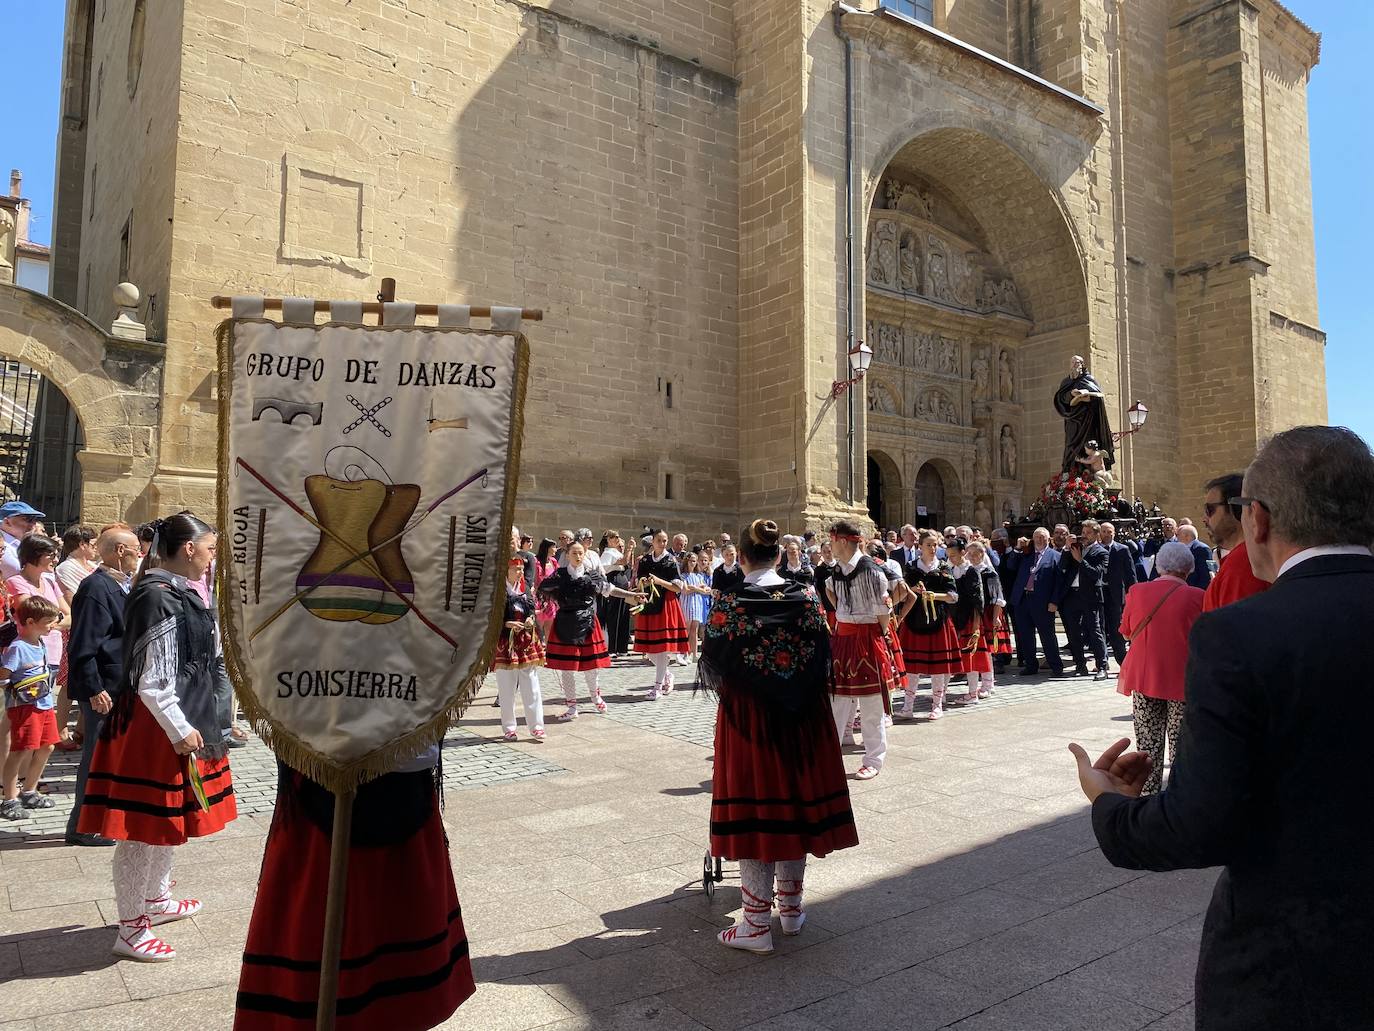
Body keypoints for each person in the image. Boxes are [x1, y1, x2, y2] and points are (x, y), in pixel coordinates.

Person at [1069, 425, 1374, 1031]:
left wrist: (1110, 807)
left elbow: (1198, 825)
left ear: (1257, 519)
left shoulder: (1239, 634)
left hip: (1296, 967)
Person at [77, 514, 236, 962]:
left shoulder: (177, 590)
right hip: (155, 728)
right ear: (189, 548)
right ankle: (131, 928)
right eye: (209, 548)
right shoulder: (157, 595)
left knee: (167, 824)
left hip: (177, 718)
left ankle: (156, 899)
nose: (212, 557)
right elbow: (153, 680)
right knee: (140, 831)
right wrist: (180, 728)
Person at [700, 518, 859, 954]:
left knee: (757, 809)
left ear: (742, 558)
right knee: (794, 806)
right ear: (777, 555)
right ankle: (790, 909)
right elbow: (823, 654)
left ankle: (755, 923)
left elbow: (711, 661)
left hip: (751, 719)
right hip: (804, 718)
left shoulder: (730, 602)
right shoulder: (806, 597)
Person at [235, 745, 476, 1028]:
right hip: (321, 806)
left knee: (395, 961)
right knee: (319, 944)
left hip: (394, 803)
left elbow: (422, 750)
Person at [64, 523, 141, 846]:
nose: (139, 555)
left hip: (117, 685)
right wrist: (94, 688)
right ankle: (81, 826)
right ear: (120, 551)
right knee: (95, 758)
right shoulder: (96, 587)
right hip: (103, 689)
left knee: (108, 757)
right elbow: (83, 645)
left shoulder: (118, 584)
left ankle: (101, 819)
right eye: (136, 550)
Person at [1113, 541, 1203, 795]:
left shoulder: (1137, 591)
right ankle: (1179, 795)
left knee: (1147, 743)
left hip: (1145, 676)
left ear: (1159, 566)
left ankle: (1147, 795)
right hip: (1183, 679)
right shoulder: (1198, 596)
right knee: (1181, 744)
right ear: (1188, 569)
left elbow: (1126, 631)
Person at [824, 520, 897, 778]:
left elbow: (884, 611)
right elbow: (830, 592)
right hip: (843, 638)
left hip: (866, 638)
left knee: (871, 703)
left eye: (832, 541)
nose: (830, 546)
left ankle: (873, 760)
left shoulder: (872, 570)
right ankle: (828, 758)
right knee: (837, 700)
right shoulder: (836, 570)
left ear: (843, 541)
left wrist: (878, 635)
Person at [539, 541, 642, 718]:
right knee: (567, 669)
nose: (578, 556)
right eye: (574, 553)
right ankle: (572, 707)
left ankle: (596, 698)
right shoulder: (560, 574)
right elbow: (543, 589)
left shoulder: (592, 575)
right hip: (565, 623)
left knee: (591, 667)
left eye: (581, 553)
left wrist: (633, 595)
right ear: (567, 555)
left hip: (587, 622)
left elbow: (611, 590)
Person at [6, 535, 74, 746]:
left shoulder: (50, 582)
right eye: (50, 555)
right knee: (27, 713)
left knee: (42, 709)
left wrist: (49, 623)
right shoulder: (15, 582)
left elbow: (69, 615)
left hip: (51, 654)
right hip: (27, 657)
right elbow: (31, 616)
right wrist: (56, 619)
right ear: (34, 555)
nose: (55, 559)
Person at [1, 595, 63, 820]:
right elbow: (4, 676)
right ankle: (9, 798)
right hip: (26, 707)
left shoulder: (40, 643)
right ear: (30, 622)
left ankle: (29, 790)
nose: (52, 626)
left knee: (47, 746)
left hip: (44, 704)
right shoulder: (18, 648)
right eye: (47, 622)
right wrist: (16, 692)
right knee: (20, 750)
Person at [895, 529, 961, 721]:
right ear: (920, 546)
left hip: (937, 619)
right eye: (929, 545)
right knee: (912, 666)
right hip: (914, 620)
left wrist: (934, 595)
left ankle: (937, 705)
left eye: (935, 545)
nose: (932, 548)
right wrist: (912, 590)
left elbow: (953, 596)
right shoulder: (911, 567)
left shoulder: (943, 567)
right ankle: (908, 707)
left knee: (937, 667)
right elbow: (901, 593)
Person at [493, 554, 545, 742]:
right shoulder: (498, 591)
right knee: (506, 688)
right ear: (506, 571)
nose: (519, 572)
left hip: (526, 642)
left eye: (521, 569)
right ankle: (509, 728)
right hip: (506, 642)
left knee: (531, 685)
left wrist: (531, 618)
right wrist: (506, 624)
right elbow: (490, 616)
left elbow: (531, 610)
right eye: (516, 569)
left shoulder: (525, 588)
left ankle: (537, 727)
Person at [1200, 472, 1268, 611]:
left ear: (1236, 509)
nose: (1204, 519)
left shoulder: (1242, 566)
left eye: (1209, 510)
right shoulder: (1246, 558)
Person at [634, 530, 690, 692]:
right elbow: (638, 580)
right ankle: (667, 675)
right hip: (649, 603)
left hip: (666, 604)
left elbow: (677, 587)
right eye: (659, 540)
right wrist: (643, 582)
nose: (662, 543)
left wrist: (659, 581)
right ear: (652, 541)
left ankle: (657, 688)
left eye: (665, 540)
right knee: (650, 650)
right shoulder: (645, 560)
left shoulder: (670, 560)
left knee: (662, 649)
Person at [1054, 520, 1110, 680]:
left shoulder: (1101, 552)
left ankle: (1102, 666)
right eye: (1083, 532)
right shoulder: (1075, 549)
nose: (1084, 536)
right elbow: (1062, 568)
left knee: (1095, 631)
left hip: (1090, 596)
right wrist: (1067, 549)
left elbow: (1096, 574)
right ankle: (1080, 665)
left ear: (1096, 535)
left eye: (1088, 533)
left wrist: (1080, 560)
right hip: (1072, 595)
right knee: (1073, 632)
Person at [1006, 528, 1065, 676]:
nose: (1039, 540)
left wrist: (1054, 601)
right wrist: (1017, 548)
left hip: (1043, 602)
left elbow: (1059, 582)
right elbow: (1010, 566)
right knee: (1025, 635)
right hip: (1022, 600)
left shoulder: (1056, 556)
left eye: (1042, 537)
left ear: (1048, 539)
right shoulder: (1026, 555)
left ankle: (1056, 666)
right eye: (1036, 537)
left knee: (1047, 635)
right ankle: (1030, 665)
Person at [943, 536, 987, 705]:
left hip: (968, 618)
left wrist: (976, 626)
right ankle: (942, 692)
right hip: (953, 618)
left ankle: (972, 693)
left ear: (963, 553)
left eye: (953, 555)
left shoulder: (971, 571)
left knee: (970, 657)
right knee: (949, 656)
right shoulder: (950, 570)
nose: (951, 558)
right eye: (949, 555)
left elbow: (978, 600)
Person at [1053, 354, 1115, 474]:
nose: (1074, 365)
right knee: (1071, 444)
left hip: (1088, 420)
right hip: (1072, 419)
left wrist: (1087, 397)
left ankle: (1087, 472)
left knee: (1088, 443)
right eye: (1072, 363)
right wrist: (1071, 394)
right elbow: (1060, 399)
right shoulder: (1066, 382)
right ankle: (1070, 472)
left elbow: (1098, 397)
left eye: (1077, 363)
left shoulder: (1089, 379)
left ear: (1082, 365)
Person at [966, 540, 1008, 698]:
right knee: (976, 650)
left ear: (982, 554)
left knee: (986, 651)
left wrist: (996, 617)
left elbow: (998, 598)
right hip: (972, 614)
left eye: (975, 554)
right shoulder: (967, 571)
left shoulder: (989, 573)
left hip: (988, 614)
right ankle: (979, 683)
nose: (971, 557)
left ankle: (988, 684)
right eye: (969, 554)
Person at [1097, 521, 1138, 667]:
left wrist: (1133, 595)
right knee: (1099, 628)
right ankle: (1102, 662)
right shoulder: (1094, 549)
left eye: (1109, 532)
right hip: (1098, 593)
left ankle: (1123, 662)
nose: (1106, 534)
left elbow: (1130, 574)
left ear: (1114, 533)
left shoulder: (1122, 550)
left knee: (1116, 629)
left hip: (1116, 595)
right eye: (1104, 531)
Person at [597, 530, 633, 654]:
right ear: (608, 539)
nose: (617, 539)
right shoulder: (608, 553)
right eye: (614, 537)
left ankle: (622, 647)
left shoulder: (615, 552)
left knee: (623, 616)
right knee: (615, 617)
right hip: (614, 584)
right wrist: (629, 548)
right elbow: (624, 561)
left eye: (618, 536)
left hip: (622, 584)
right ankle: (613, 647)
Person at [679, 551, 712, 662]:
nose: (693, 563)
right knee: (687, 629)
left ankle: (693, 654)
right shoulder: (683, 576)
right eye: (691, 561)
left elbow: (707, 590)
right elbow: (685, 590)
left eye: (694, 561)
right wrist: (698, 589)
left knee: (695, 629)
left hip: (697, 603)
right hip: (687, 603)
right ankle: (683, 653)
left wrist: (694, 588)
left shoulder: (698, 576)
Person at [0, 500, 44, 580]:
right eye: (28, 519)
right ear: (7, 522)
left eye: (35, 519)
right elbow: (18, 573)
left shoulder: (23, 544)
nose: (33, 524)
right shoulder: (4, 545)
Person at [56, 525, 99, 602]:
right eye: (93, 545)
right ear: (82, 545)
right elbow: (71, 601)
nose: (96, 547)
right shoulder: (65, 569)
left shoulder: (94, 566)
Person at [533, 538, 559, 642]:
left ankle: (548, 650)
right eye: (554, 547)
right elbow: (534, 580)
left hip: (550, 598)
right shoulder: (536, 562)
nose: (555, 549)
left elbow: (557, 577)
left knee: (550, 628)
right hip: (539, 597)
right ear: (547, 548)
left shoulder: (553, 561)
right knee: (538, 628)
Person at [1174, 524, 1213, 589]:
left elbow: (1205, 575)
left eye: (1177, 535)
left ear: (1186, 536)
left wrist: (1199, 592)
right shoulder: (1181, 549)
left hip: (1196, 589)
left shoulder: (1202, 549)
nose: (1176, 538)